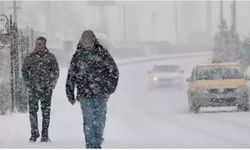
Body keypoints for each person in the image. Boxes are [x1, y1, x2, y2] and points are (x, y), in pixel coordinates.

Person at [66, 30, 119, 148]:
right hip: (84, 94)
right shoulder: (78, 56)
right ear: (82, 42)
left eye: (90, 40)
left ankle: (97, 142)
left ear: (94, 41)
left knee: (100, 119)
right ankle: (90, 144)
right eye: (85, 41)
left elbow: (114, 72)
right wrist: (70, 93)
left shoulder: (103, 54)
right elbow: (71, 75)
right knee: (88, 119)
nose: (87, 43)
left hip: (101, 93)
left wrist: (109, 88)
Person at [22, 36, 59, 142]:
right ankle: (34, 133)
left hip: (46, 89)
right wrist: (29, 84)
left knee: (46, 112)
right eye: (37, 43)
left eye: (40, 43)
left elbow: (56, 71)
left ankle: (45, 135)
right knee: (32, 111)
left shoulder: (51, 57)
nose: (38, 45)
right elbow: (24, 71)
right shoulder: (30, 57)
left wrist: (51, 84)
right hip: (33, 89)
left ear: (44, 44)